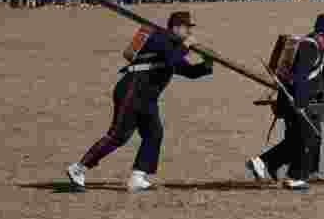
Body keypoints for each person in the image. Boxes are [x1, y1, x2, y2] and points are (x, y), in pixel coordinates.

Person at [66, 11, 214, 193]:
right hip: (132, 91)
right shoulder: (160, 38)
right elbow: (170, 59)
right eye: (187, 28)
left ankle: (138, 177)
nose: (189, 33)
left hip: (148, 98)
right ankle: (79, 168)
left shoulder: (173, 46)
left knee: (154, 133)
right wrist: (186, 46)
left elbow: (188, 71)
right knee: (118, 135)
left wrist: (207, 64)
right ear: (176, 27)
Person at [247, 13, 324, 190]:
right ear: (323, 35)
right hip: (296, 102)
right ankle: (294, 176)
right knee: (307, 138)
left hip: (298, 101)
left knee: (296, 140)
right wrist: (300, 104)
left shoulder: (313, 48)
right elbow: (300, 78)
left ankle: (262, 163)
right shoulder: (309, 48)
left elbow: (316, 77)